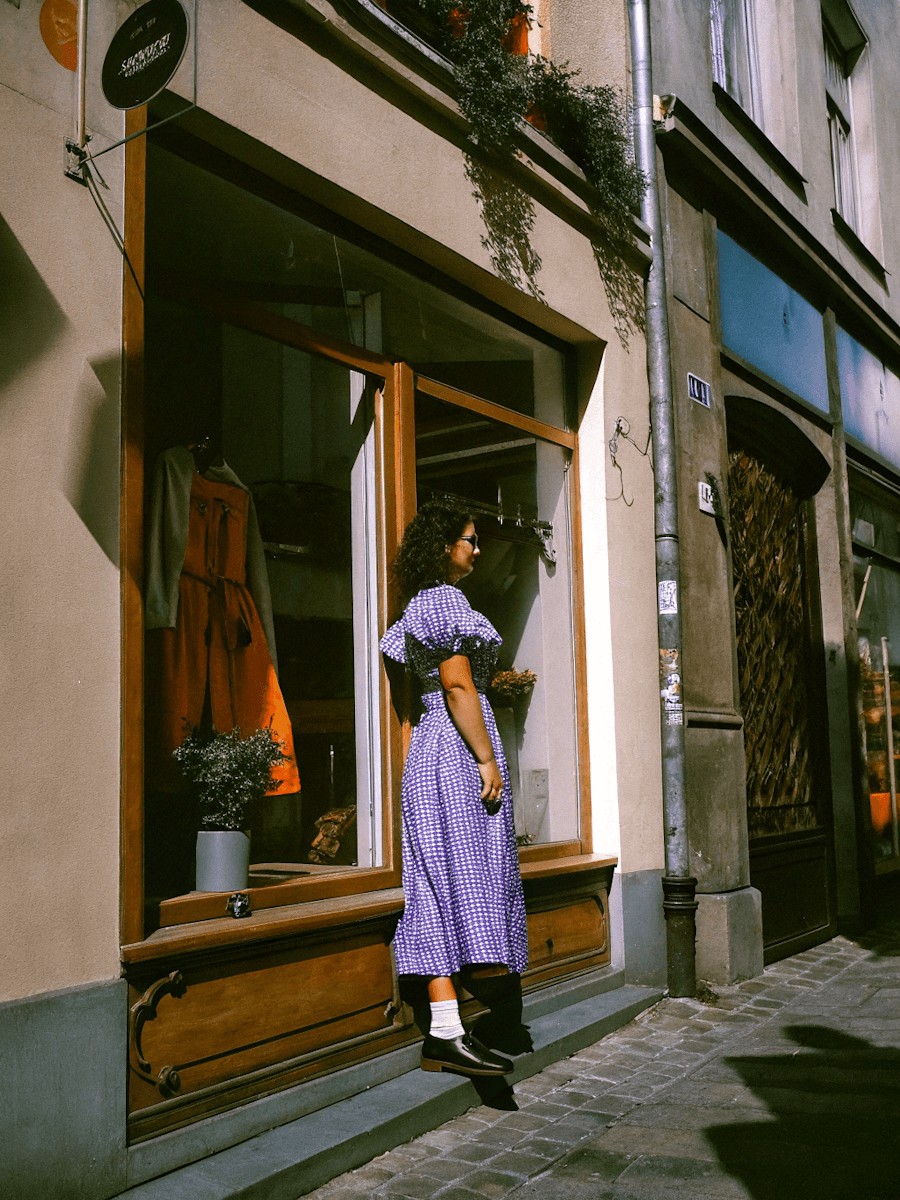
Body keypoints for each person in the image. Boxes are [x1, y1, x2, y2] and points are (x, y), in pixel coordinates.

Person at [380, 498, 530, 1077]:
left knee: (437, 880)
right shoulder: (445, 601)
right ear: (446, 548)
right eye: (470, 538)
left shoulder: (420, 605)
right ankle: (468, 1019)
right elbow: (458, 685)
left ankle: (446, 1027)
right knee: (466, 872)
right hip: (455, 751)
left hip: (431, 751)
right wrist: (488, 759)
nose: (477, 547)